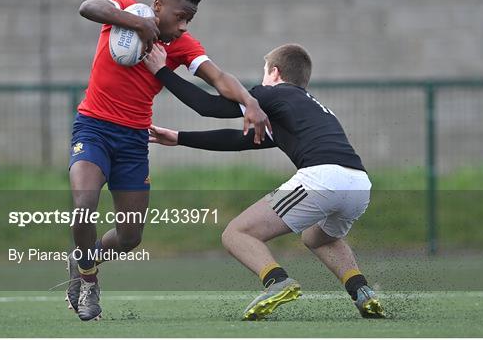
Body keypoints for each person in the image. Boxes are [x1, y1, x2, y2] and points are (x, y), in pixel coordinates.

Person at [67, 0, 270, 321]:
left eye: (190, 19)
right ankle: (87, 277)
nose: (183, 24)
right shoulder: (126, 11)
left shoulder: (182, 45)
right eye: (181, 16)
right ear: (158, 7)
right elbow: (89, 7)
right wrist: (139, 24)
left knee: (131, 236)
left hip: (134, 141)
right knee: (84, 204)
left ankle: (83, 256)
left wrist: (250, 101)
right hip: (94, 129)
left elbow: (219, 79)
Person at [143, 43, 386, 320]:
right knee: (318, 238)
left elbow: (208, 106)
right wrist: (180, 138)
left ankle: (278, 282)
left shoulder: (272, 94)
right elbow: (240, 140)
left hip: (323, 178)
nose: (260, 80)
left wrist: (162, 71)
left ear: (274, 72)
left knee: (237, 234)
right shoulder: (306, 106)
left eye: (263, 72)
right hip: (359, 184)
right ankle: (361, 291)